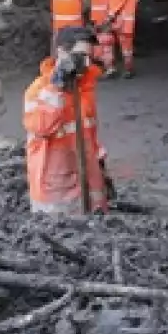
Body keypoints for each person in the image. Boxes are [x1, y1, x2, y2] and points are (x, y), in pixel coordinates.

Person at [23, 26, 108, 214]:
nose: (86, 63)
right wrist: (57, 89)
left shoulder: (85, 89)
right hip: (55, 189)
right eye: (80, 56)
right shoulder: (38, 91)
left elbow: (90, 134)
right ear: (62, 52)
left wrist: (100, 166)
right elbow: (42, 127)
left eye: (89, 57)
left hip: (86, 182)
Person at [90, 0, 138, 79]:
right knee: (107, 41)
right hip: (113, 17)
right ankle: (111, 68)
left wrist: (110, 15)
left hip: (120, 17)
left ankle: (128, 69)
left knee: (125, 44)